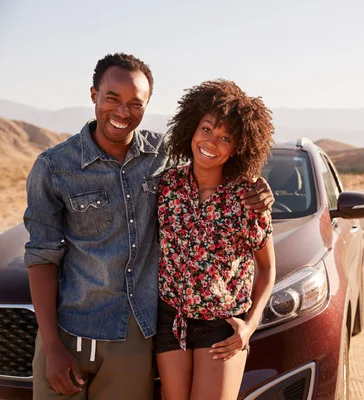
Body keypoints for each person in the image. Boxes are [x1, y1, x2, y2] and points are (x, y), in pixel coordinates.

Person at [24, 53, 274, 400]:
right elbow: (41, 256)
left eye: (135, 103)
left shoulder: (163, 157)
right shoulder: (54, 167)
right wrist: (50, 344)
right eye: (112, 98)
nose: (123, 112)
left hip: (141, 338)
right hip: (80, 332)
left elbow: (213, 163)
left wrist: (260, 187)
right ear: (93, 93)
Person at [154, 80, 276, 400]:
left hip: (222, 326)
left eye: (225, 137)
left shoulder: (247, 198)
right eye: (206, 129)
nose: (211, 141)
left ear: (237, 148)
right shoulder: (167, 186)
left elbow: (267, 269)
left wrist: (249, 326)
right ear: (192, 130)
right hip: (171, 320)